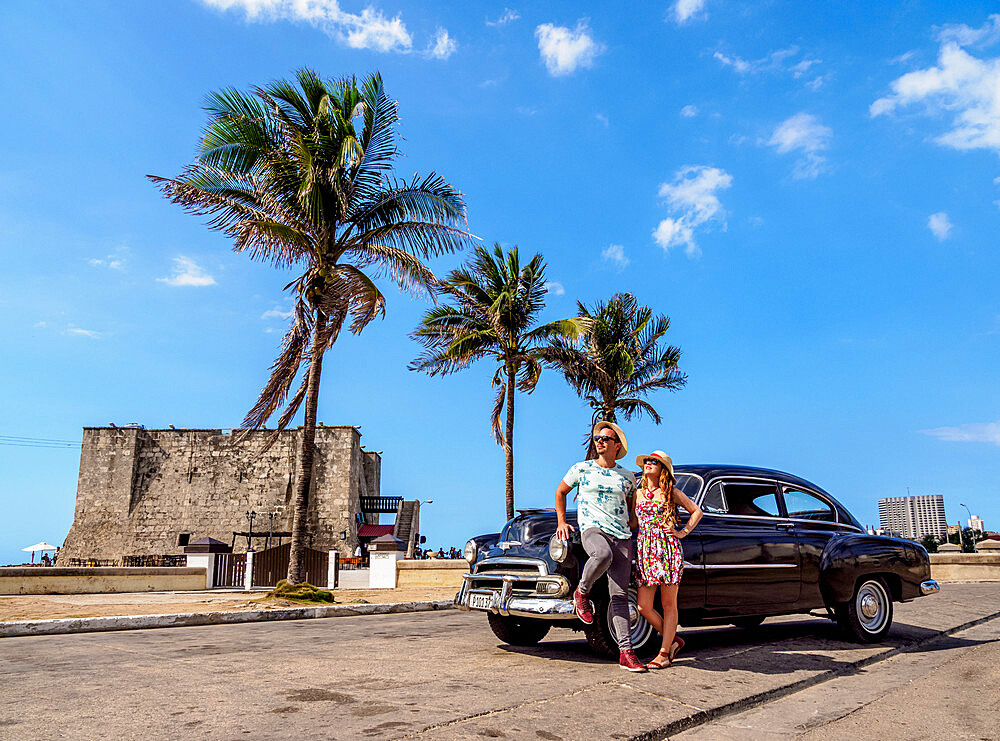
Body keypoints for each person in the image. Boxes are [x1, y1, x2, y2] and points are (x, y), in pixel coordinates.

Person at [556, 421, 646, 672]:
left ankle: (626, 653)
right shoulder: (581, 469)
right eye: (597, 438)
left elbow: (631, 503)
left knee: (619, 596)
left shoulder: (627, 477)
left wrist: (632, 519)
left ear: (616, 445)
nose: (599, 441)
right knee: (602, 554)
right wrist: (562, 521)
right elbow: (561, 492)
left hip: (622, 536)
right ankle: (581, 592)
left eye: (605, 439)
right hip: (593, 529)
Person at [633, 450, 703, 669]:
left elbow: (696, 511)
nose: (649, 464)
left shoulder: (671, 492)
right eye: (647, 461)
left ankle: (663, 653)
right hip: (645, 549)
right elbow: (633, 524)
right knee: (643, 606)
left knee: (668, 603)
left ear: (663, 468)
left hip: (667, 549)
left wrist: (682, 532)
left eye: (654, 462)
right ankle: (672, 640)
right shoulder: (638, 493)